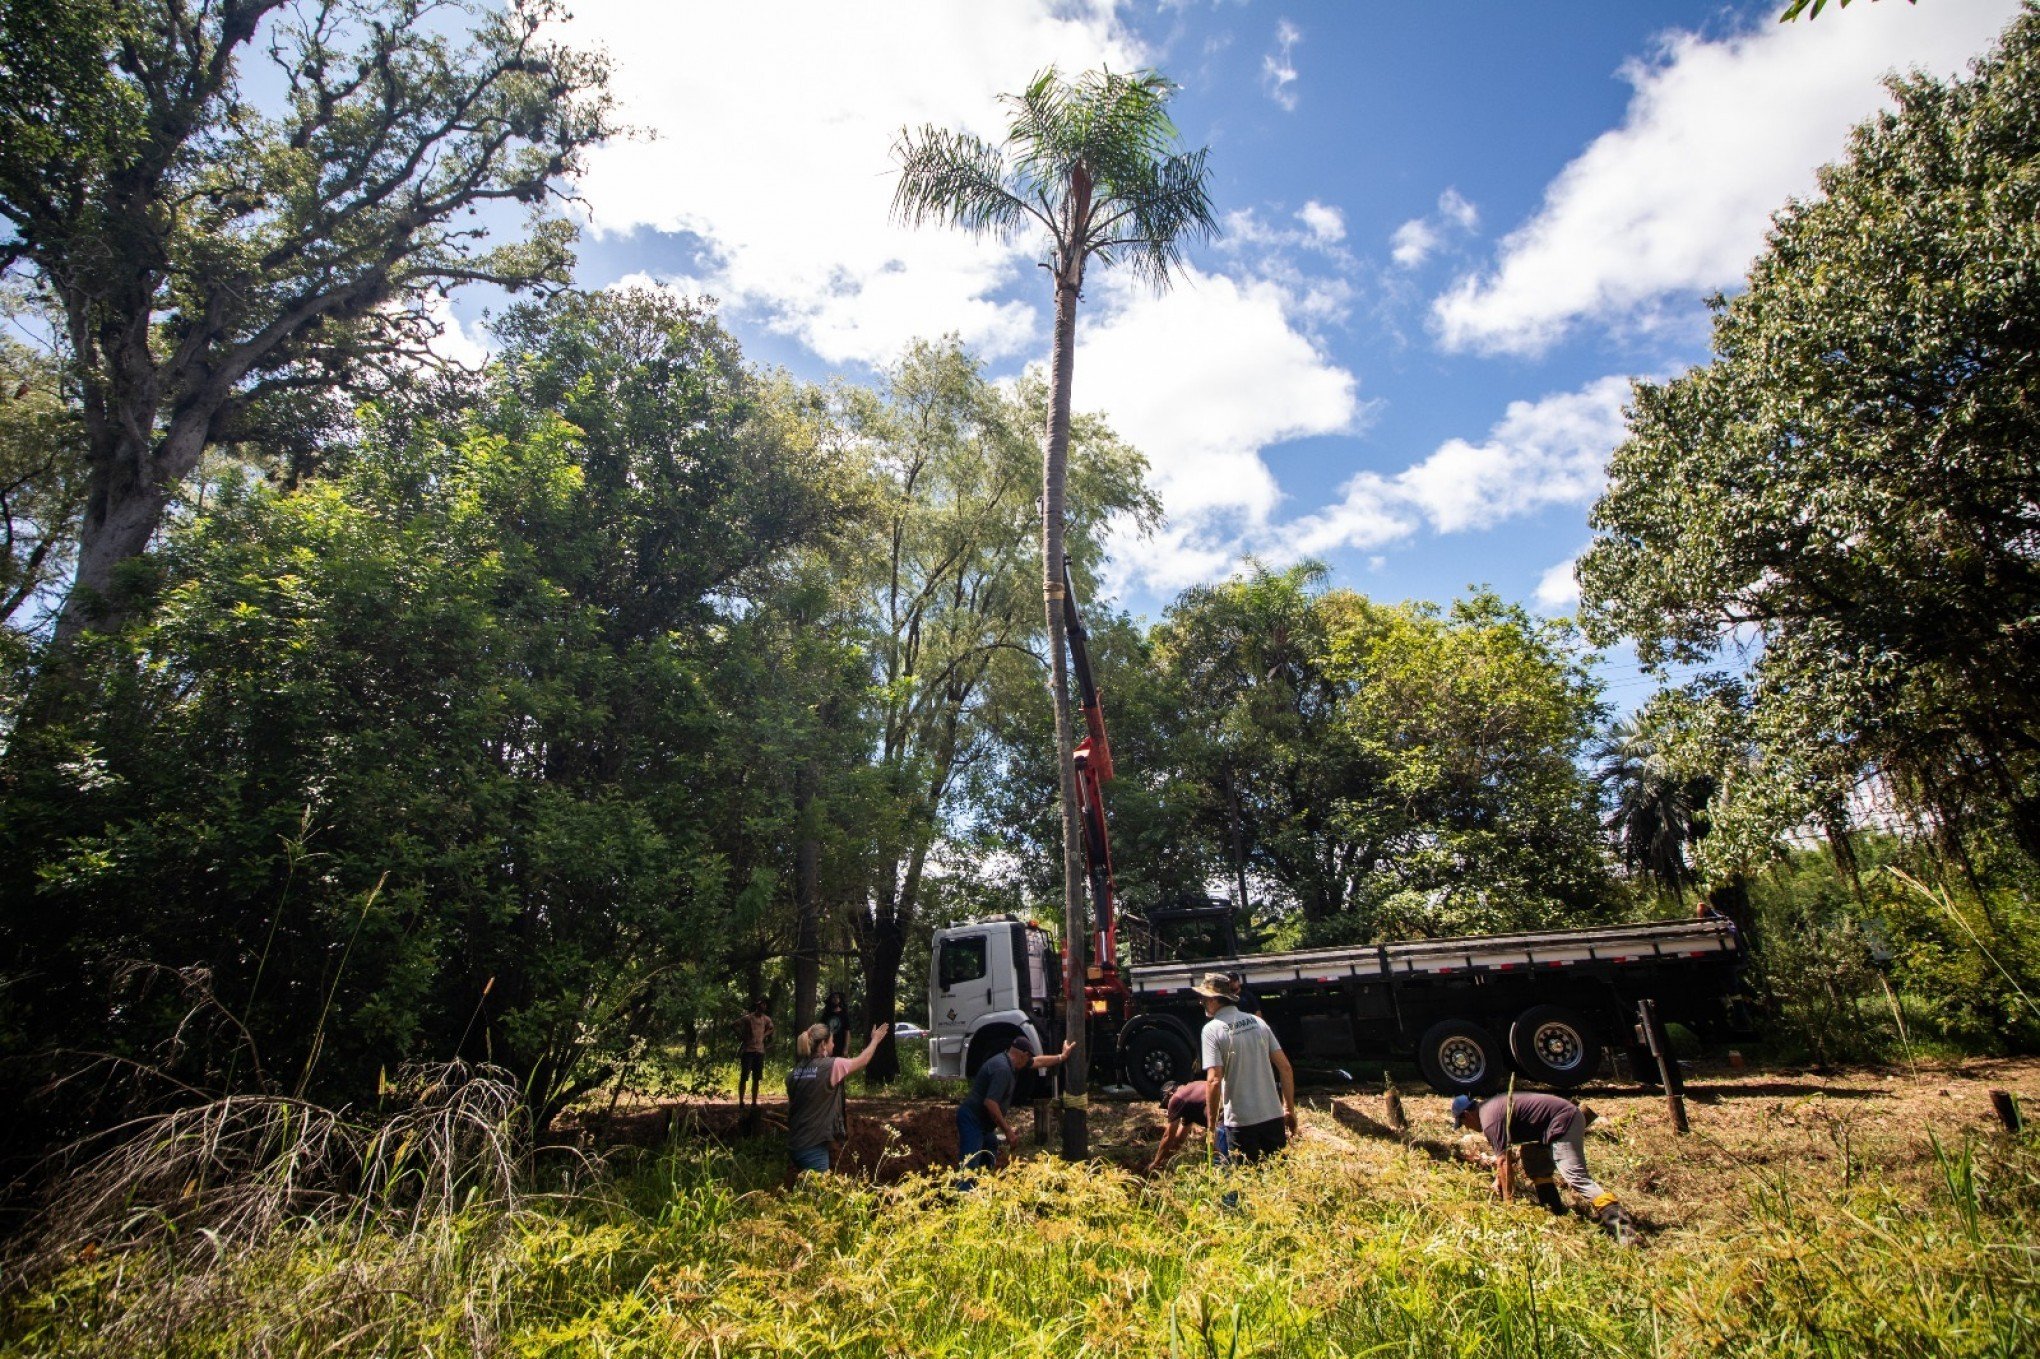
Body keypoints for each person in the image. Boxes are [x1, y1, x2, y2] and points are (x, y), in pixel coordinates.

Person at [1451, 1091, 1639, 1245]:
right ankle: (1553, 1209)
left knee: (1575, 1176)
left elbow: (1503, 1162)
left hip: (1564, 1121)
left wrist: (1508, 1205)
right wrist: (1498, 1180)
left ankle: (1623, 1228)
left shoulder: (1489, 1119)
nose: (1467, 1128)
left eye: (1464, 1124)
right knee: (1533, 1159)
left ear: (1466, 1115)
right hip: (1546, 1127)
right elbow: (1505, 1156)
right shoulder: (1490, 1110)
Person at [1194, 972, 1297, 1163]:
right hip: (1273, 1116)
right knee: (1277, 1182)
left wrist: (1211, 1129)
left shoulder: (1212, 1029)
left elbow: (1214, 1080)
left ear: (1215, 999)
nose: (1201, 1003)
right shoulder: (1258, 1022)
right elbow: (1285, 1068)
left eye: (1203, 998)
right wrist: (1288, 1109)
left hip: (1241, 1122)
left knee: (1246, 1184)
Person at [784, 1020, 889, 1182]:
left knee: (805, 1197)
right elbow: (863, 1060)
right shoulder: (832, 1066)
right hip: (813, 1148)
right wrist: (875, 1040)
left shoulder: (793, 1074)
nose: (834, 1045)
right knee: (820, 1200)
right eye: (832, 1041)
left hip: (795, 1144)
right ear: (823, 1045)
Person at [956, 1033, 1073, 1174]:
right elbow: (990, 1103)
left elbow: (1038, 1062)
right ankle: (963, 1191)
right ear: (1023, 1054)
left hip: (984, 1123)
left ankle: (983, 1187)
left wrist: (1061, 1057)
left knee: (989, 1153)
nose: (1028, 1062)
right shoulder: (1002, 1069)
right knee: (969, 1166)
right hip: (972, 1120)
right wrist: (1008, 1131)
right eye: (1028, 1058)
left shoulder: (1011, 1061)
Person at [1145, 1079, 1230, 1173]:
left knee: (1216, 1165)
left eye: (1166, 1105)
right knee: (1231, 1161)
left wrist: (1156, 1162)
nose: (1168, 1110)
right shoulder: (1189, 1098)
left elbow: (1168, 1136)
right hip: (1235, 1116)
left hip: (1223, 1120)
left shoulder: (1176, 1098)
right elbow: (1179, 1139)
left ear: (1169, 1094)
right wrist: (1166, 1159)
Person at [736, 997, 774, 1109]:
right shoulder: (748, 1018)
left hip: (760, 1051)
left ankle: (753, 1102)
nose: (763, 1006)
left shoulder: (766, 1019)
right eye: (761, 1004)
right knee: (744, 1077)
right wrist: (741, 1036)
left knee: (756, 1078)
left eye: (764, 1005)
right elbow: (734, 1024)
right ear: (757, 1006)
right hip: (748, 1051)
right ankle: (741, 1101)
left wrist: (765, 1035)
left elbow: (772, 1028)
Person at [820, 992, 850, 1058]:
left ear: (840, 1000)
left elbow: (847, 1032)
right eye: (833, 997)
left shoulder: (844, 1014)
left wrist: (846, 1048)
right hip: (827, 1048)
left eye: (837, 997)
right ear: (830, 1000)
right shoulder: (826, 1015)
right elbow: (821, 1031)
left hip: (840, 1047)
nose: (835, 999)